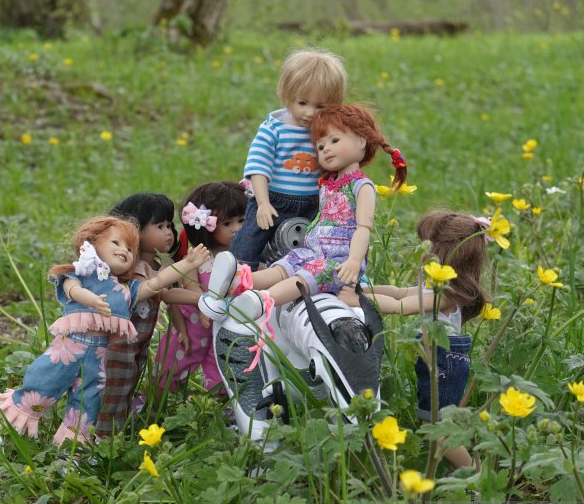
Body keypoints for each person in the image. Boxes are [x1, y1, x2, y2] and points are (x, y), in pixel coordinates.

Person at [0, 216, 209, 448]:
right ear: (92, 243)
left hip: (99, 357)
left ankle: (73, 448)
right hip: (69, 349)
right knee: (42, 387)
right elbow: (72, 290)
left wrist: (186, 264)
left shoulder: (127, 289)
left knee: (88, 403)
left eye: (130, 249)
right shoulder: (81, 272)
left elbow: (155, 284)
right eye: (116, 242)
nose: (124, 250)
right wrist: (90, 299)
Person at [201, 104, 407, 325]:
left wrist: (354, 261)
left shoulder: (361, 185)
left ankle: (263, 300)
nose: (326, 149)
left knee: (302, 278)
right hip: (312, 250)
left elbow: (363, 228)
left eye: (334, 141)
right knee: (283, 267)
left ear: (362, 140)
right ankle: (237, 281)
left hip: (338, 262)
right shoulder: (328, 183)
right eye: (320, 146)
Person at [339, 210, 491, 469]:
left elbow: (402, 307)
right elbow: (399, 294)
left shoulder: (446, 294)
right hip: (437, 357)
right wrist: (364, 289)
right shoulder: (436, 285)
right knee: (438, 426)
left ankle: (477, 478)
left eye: (429, 247)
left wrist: (359, 300)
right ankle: (477, 470)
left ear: (448, 255)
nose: (423, 253)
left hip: (445, 361)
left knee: (438, 430)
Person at [230, 48, 348, 270]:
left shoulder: (326, 131)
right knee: (249, 244)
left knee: (310, 248)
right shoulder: (273, 129)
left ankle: (297, 286)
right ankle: (235, 280)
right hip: (274, 199)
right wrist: (263, 203)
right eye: (302, 103)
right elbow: (258, 167)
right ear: (287, 95)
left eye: (320, 106)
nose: (310, 113)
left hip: (313, 203)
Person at [95, 193, 180, 437]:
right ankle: (102, 436)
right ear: (134, 230)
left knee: (128, 383)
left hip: (138, 342)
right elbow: (156, 291)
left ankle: (116, 428)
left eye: (169, 225)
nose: (168, 232)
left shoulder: (154, 266)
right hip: (118, 344)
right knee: (114, 388)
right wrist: (187, 273)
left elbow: (164, 293)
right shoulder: (131, 270)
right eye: (160, 226)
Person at [154, 181, 249, 393]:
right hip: (195, 322)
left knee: (225, 364)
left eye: (242, 221)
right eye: (227, 224)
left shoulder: (245, 257)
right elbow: (191, 286)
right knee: (174, 362)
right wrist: (203, 304)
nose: (237, 229)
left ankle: (222, 406)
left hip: (229, 324)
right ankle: (156, 400)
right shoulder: (199, 255)